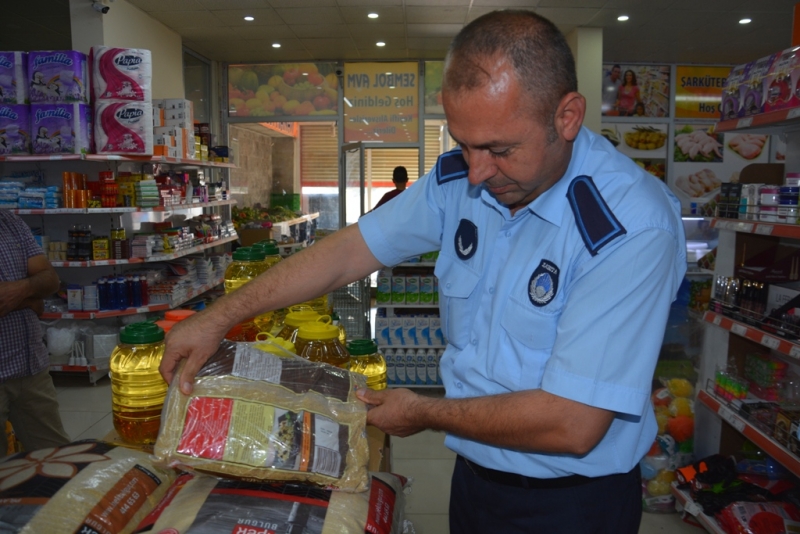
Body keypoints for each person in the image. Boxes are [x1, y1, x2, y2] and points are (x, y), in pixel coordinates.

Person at [161, 10, 685, 533]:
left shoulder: (631, 225)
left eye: (500, 149)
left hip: (573, 506)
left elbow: (574, 423)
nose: (477, 171)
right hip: (475, 479)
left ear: (567, 117)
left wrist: (424, 413)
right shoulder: (463, 179)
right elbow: (349, 251)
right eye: (464, 143)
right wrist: (219, 316)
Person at [0, 210, 70, 456]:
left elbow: (50, 280)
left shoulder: (9, 222)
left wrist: (22, 289)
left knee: (57, 457)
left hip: (31, 368)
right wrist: (30, 300)